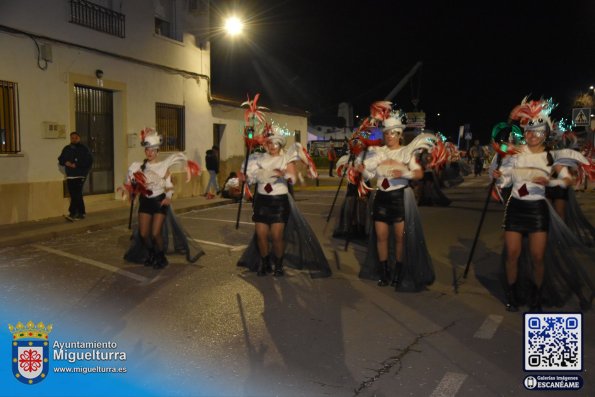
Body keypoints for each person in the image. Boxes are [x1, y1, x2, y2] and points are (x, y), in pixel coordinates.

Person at [491, 97, 594, 312]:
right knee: (512, 254)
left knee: (538, 257)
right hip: (515, 208)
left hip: (538, 210)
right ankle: (512, 295)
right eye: (529, 131)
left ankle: (536, 298)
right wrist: (499, 175)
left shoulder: (551, 157)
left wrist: (550, 181)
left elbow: (567, 181)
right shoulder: (515, 154)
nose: (532, 135)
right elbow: (506, 181)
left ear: (545, 133)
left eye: (538, 131)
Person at [237, 124, 331, 278]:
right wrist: (244, 179)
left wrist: (284, 174)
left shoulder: (286, 158)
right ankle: (265, 262)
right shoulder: (257, 159)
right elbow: (251, 180)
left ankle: (279, 265)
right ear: (265, 144)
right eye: (269, 142)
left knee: (276, 236)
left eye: (275, 143)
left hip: (279, 202)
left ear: (279, 144)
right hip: (262, 201)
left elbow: (293, 179)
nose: (272, 145)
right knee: (261, 235)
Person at [357, 109, 435, 291]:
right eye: (386, 133)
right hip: (381, 197)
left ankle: (399, 272)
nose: (389, 136)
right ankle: (384, 273)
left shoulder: (406, 152)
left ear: (399, 135)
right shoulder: (377, 152)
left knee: (400, 238)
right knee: (381, 237)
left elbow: (418, 173)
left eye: (393, 133)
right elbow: (370, 173)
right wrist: (363, 171)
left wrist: (404, 172)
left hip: (399, 198)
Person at [123, 128, 203, 269]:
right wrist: (133, 189)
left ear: (157, 152)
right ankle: (152, 253)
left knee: (155, 233)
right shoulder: (138, 167)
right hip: (145, 202)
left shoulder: (163, 167)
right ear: (145, 151)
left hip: (160, 202)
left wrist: (168, 197)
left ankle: (160, 256)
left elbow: (169, 185)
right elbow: (130, 185)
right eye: (147, 150)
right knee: (143, 234)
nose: (150, 153)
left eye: (153, 150)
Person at [58, 131, 93, 220]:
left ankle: (73, 213)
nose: (73, 139)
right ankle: (81, 212)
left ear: (79, 138)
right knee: (74, 194)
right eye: (72, 138)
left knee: (76, 194)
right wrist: (65, 162)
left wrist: (77, 165)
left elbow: (89, 161)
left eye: (75, 138)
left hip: (80, 175)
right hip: (70, 175)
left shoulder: (84, 149)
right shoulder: (67, 148)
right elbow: (61, 159)